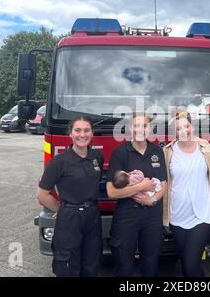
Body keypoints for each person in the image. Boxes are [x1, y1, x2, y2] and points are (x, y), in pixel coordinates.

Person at [37, 116, 104, 277]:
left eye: (87, 130)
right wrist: (62, 209)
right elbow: (42, 195)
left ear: (92, 133)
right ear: (70, 134)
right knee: (68, 266)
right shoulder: (58, 162)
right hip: (69, 220)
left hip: (93, 217)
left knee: (91, 263)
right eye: (78, 130)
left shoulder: (97, 157)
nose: (83, 135)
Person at [106, 113, 167, 277]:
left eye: (144, 126)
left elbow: (164, 183)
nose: (140, 130)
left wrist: (151, 199)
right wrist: (141, 186)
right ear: (130, 128)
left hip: (152, 216)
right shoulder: (120, 153)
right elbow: (111, 191)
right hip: (127, 216)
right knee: (124, 265)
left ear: (150, 129)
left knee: (150, 263)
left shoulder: (157, 152)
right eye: (136, 126)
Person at [163, 111, 210, 277]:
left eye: (186, 126)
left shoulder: (206, 148)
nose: (184, 131)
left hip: (202, 214)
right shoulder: (167, 152)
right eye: (178, 128)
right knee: (186, 261)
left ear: (192, 127)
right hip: (177, 215)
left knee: (190, 264)